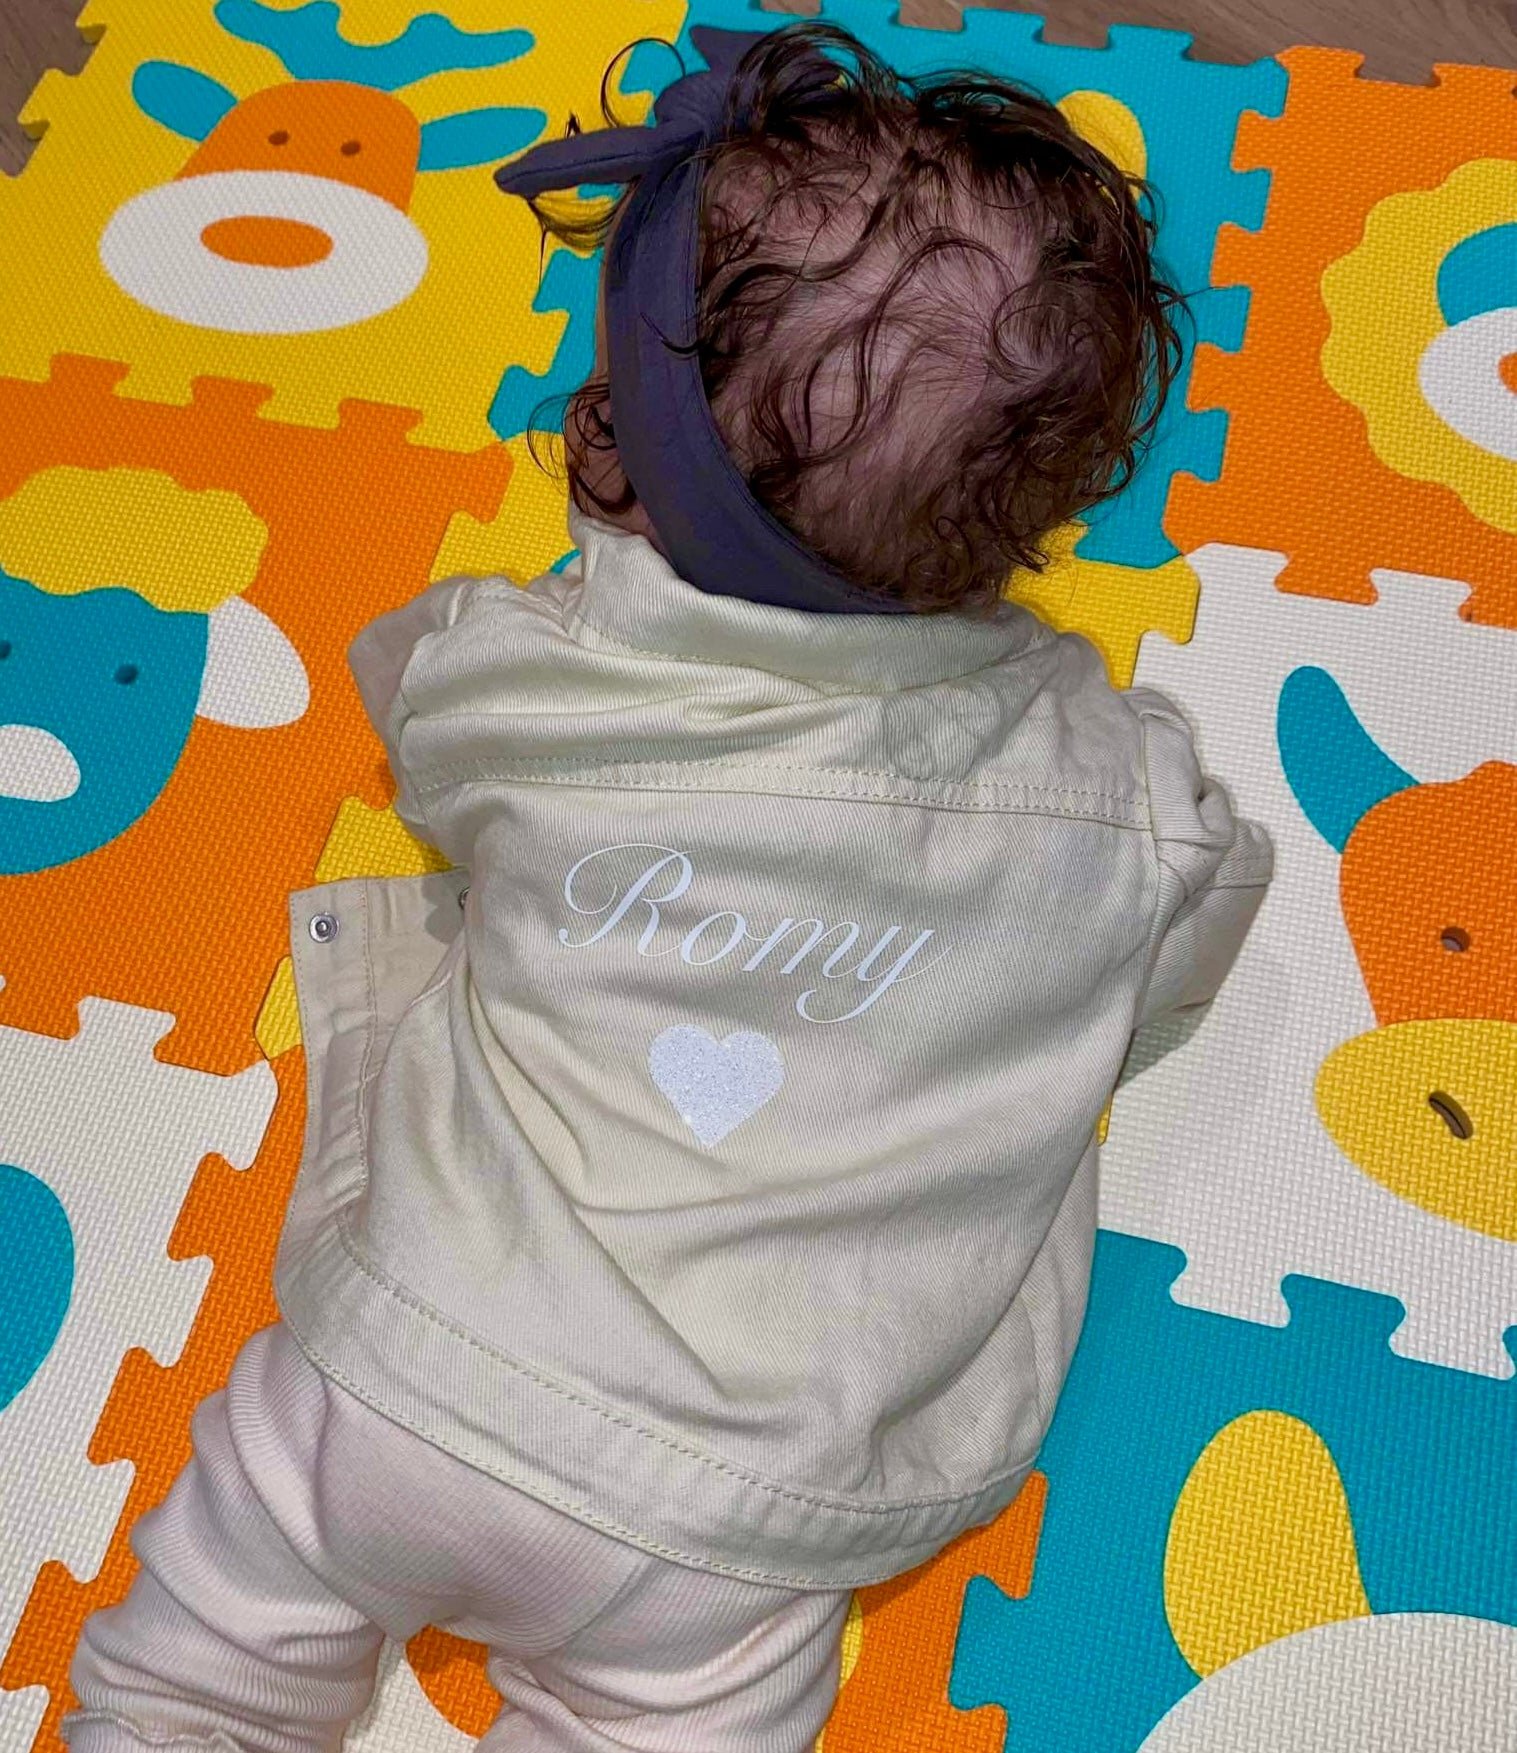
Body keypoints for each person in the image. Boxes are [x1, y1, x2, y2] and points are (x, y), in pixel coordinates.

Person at [65, 24, 1271, 1752]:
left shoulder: (523, 678)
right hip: (740, 1514)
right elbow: (1200, 905)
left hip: (407, 1375)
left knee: (192, 1670)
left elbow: (418, 722)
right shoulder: (1114, 793)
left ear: (616, 452)